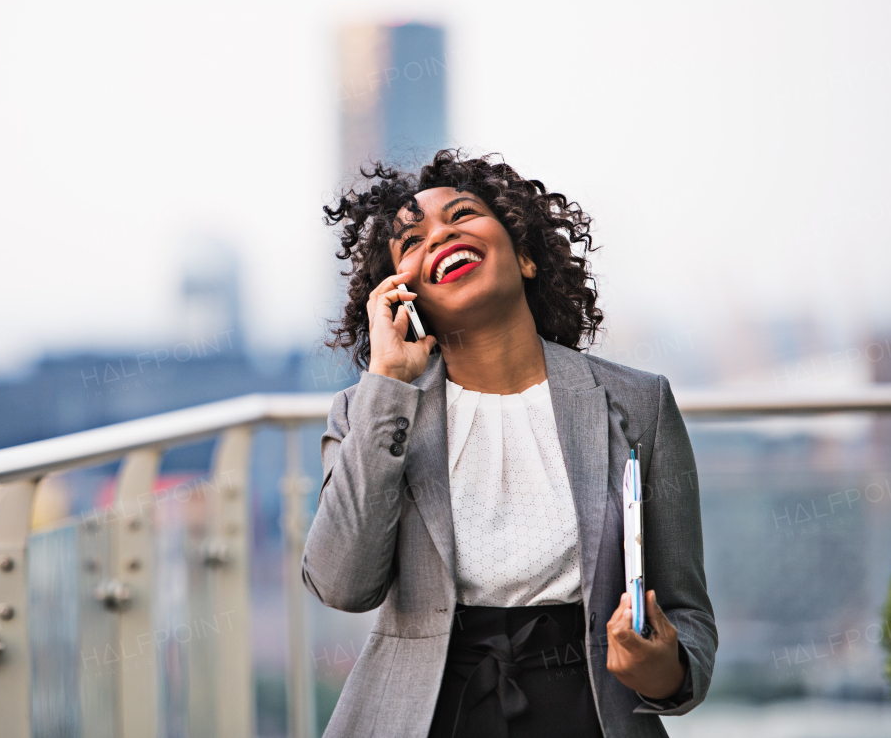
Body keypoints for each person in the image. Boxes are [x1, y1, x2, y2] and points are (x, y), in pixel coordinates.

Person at [302, 151, 717, 738]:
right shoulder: (368, 411)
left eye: (462, 215)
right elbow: (342, 583)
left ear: (524, 255)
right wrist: (387, 386)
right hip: (430, 716)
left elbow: (686, 611)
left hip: (590, 712)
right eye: (411, 242)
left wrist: (664, 670)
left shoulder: (638, 404)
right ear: (403, 297)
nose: (440, 236)